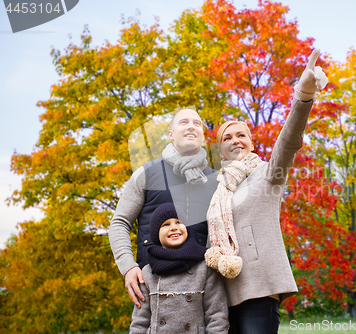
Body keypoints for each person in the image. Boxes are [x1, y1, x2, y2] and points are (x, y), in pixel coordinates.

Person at [204, 49, 328, 333]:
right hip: (220, 294)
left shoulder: (268, 174)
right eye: (227, 137)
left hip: (259, 288)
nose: (235, 140)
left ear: (250, 141)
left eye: (241, 135)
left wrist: (303, 96)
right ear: (219, 148)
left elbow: (288, 142)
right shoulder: (214, 187)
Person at [109, 108, 218, 308]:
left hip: (203, 286)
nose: (191, 126)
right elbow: (119, 222)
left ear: (203, 135)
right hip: (153, 284)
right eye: (184, 122)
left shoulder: (216, 180)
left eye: (197, 123)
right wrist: (128, 267)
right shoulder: (146, 174)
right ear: (171, 134)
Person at [129, 203, 229, 333]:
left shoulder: (204, 267)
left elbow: (216, 316)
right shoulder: (148, 272)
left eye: (179, 222)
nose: (174, 228)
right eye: (166, 224)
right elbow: (139, 322)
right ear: (156, 233)